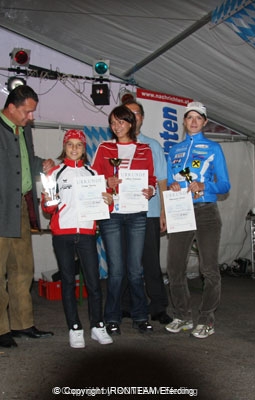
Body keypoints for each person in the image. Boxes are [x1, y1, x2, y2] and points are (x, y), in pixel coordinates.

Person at [0, 85, 54, 348]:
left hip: (21, 209)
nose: (31, 117)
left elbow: (24, 162)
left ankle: (22, 324)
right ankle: (1, 329)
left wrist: (42, 164)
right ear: (11, 108)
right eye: (27, 112)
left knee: (24, 270)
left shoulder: (24, 130)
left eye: (32, 112)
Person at [41, 129, 113, 348]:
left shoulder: (93, 173)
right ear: (64, 147)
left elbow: (105, 207)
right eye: (70, 144)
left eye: (78, 145)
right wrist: (49, 201)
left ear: (84, 149)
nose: (74, 148)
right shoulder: (54, 173)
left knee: (93, 281)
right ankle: (74, 327)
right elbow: (47, 207)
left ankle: (97, 325)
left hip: (87, 233)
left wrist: (109, 200)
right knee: (68, 281)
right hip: (63, 233)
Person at [164, 101, 230, 339]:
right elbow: (171, 180)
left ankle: (206, 319)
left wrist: (205, 185)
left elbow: (225, 185)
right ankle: (182, 316)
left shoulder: (213, 148)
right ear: (184, 121)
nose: (193, 121)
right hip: (180, 210)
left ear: (204, 122)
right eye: (189, 117)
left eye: (198, 117)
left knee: (208, 268)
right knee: (174, 267)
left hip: (205, 212)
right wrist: (173, 185)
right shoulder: (174, 150)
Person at [91, 105, 157, 335]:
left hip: (137, 212)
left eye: (120, 122)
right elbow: (93, 177)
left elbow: (151, 178)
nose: (116, 126)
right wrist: (105, 182)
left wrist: (150, 190)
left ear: (131, 123)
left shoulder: (145, 149)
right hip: (111, 214)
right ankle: (112, 317)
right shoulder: (104, 147)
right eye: (112, 122)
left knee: (135, 270)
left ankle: (141, 316)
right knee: (116, 270)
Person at [121, 100, 173, 325]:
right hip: (122, 213)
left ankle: (158, 307)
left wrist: (164, 211)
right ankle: (124, 305)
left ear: (142, 118)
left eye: (136, 113)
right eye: (128, 113)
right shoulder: (114, 146)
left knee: (151, 263)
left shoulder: (153, 146)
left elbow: (162, 181)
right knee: (124, 262)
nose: (133, 117)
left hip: (149, 213)